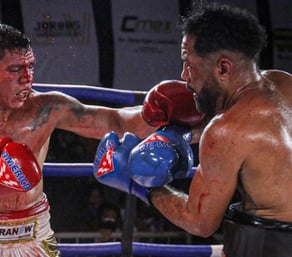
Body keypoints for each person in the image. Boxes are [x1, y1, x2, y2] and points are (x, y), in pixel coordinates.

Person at [0, 23, 204, 257]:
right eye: (15, 70)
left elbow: (115, 122)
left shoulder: (47, 108)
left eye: (31, 66)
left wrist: (158, 113)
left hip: (33, 235)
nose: (28, 78)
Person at [93, 3, 292, 257]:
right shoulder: (283, 82)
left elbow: (199, 221)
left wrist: (136, 183)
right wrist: (183, 135)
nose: (184, 75)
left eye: (189, 63)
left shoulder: (225, 131)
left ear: (223, 68)